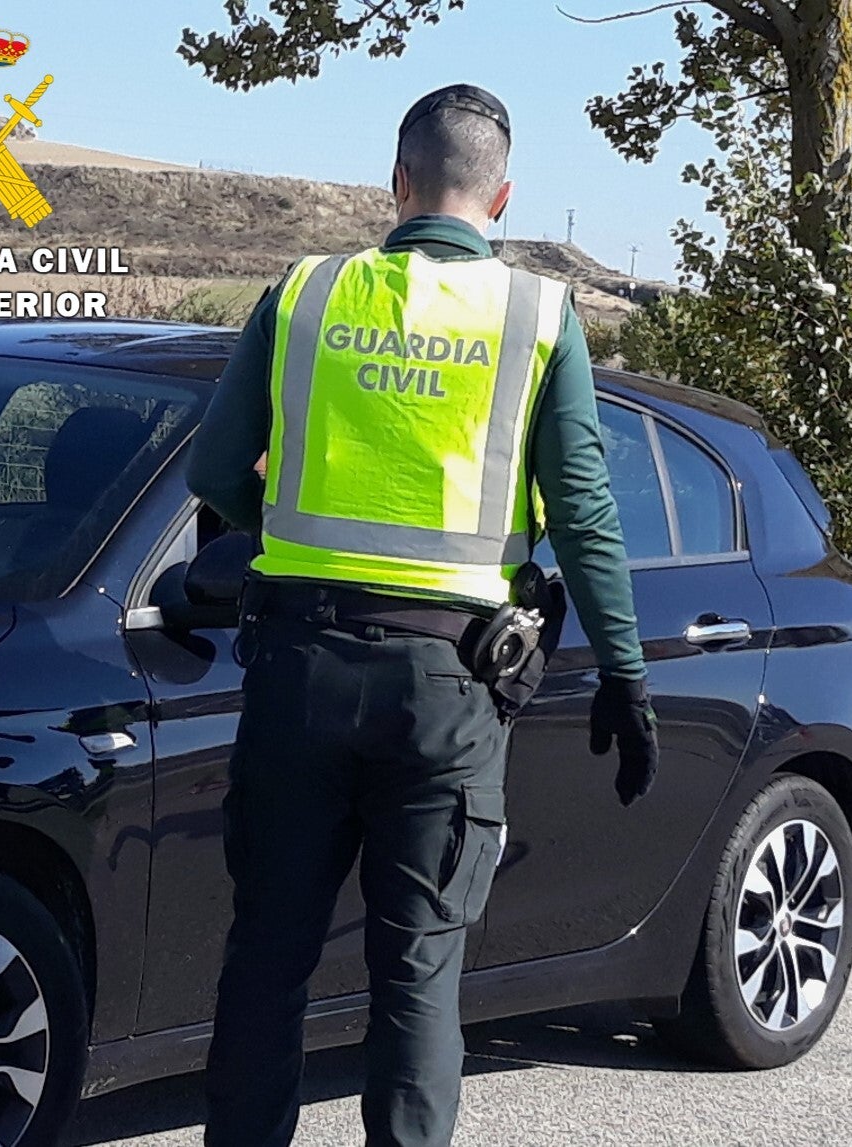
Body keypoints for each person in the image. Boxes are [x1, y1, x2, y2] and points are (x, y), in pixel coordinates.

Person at [187, 83, 659, 1147]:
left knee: (266, 958)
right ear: (503, 194)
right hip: (447, 694)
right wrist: (624, 674)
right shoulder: (541, 316)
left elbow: (215, 468)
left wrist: (280, 541)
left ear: (397, 183)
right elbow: (582, 509)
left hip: (297, 671)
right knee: (416, 979)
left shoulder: (306, 293)